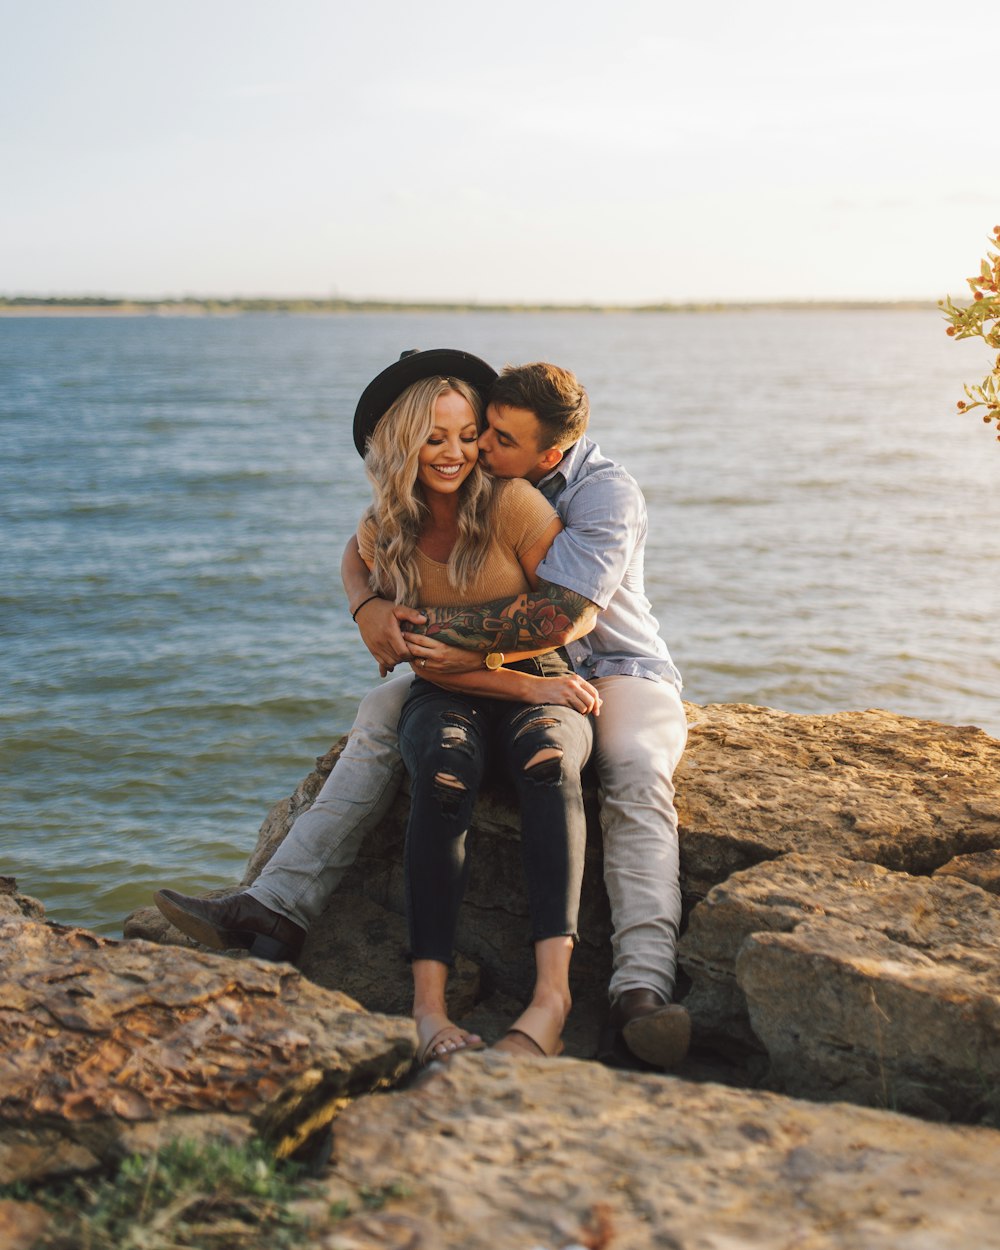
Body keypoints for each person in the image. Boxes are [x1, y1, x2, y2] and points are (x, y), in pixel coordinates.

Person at [155, 351, 690, 1070]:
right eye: (481, 430)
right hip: (500, 671)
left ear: (550, 452)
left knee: (634, 766)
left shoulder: (601, 496)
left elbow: (561, 619)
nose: (480, 451)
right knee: (378, 717)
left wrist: (432, 643)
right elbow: (363, 542)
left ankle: (642, 988)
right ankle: (277, 904)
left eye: (496, 439)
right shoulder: (474, 480)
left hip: (609, 668)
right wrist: (367, 604)